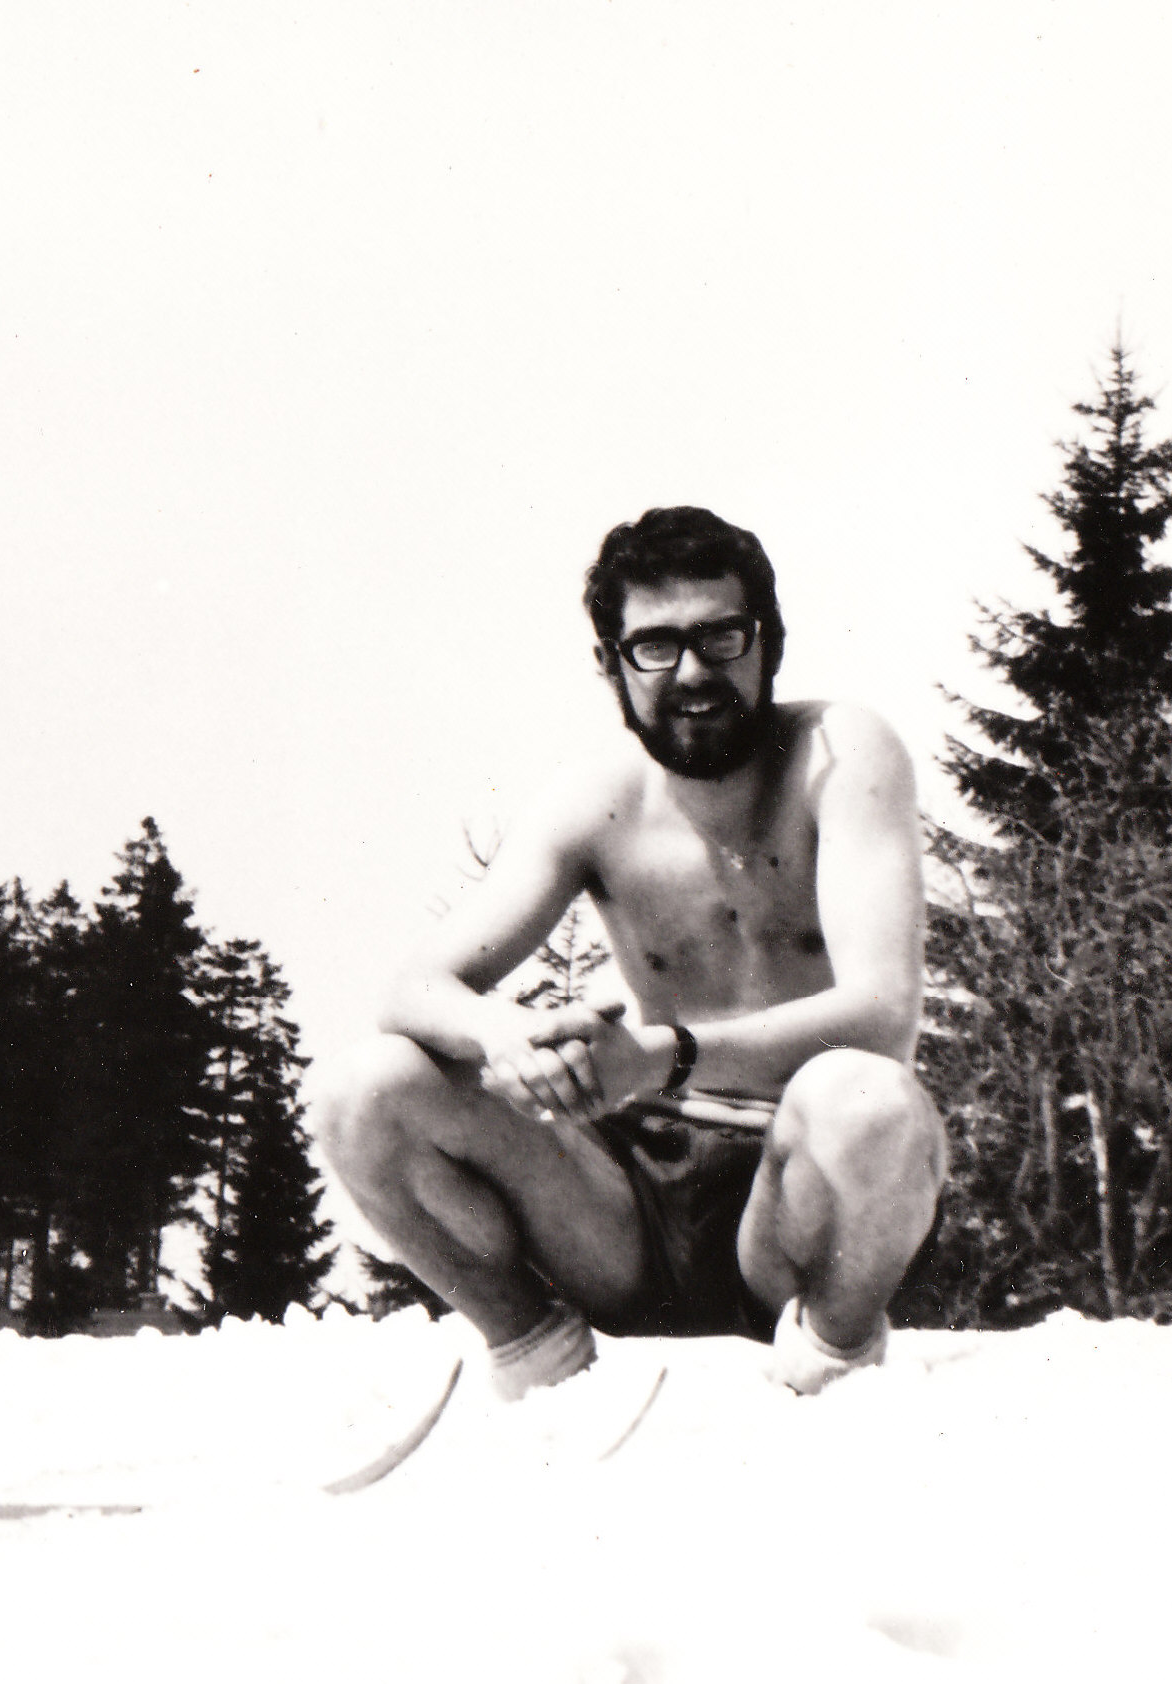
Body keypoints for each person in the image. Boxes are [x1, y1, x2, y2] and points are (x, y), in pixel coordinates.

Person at [308, 506, 944, 1400]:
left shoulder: (840, 754)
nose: (692, 672)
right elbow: (413, 987)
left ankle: (827, 1362)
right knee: (362, 1089)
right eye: (654, 646)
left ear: (769, 642)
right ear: (610, 664)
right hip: (624, 1215)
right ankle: (537, 1361)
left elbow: (883, 1015)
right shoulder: (596, 797)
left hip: (800, 1197)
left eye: (720, 635)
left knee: (868, 1098)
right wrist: (508, 1038)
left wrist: (660, 1054)